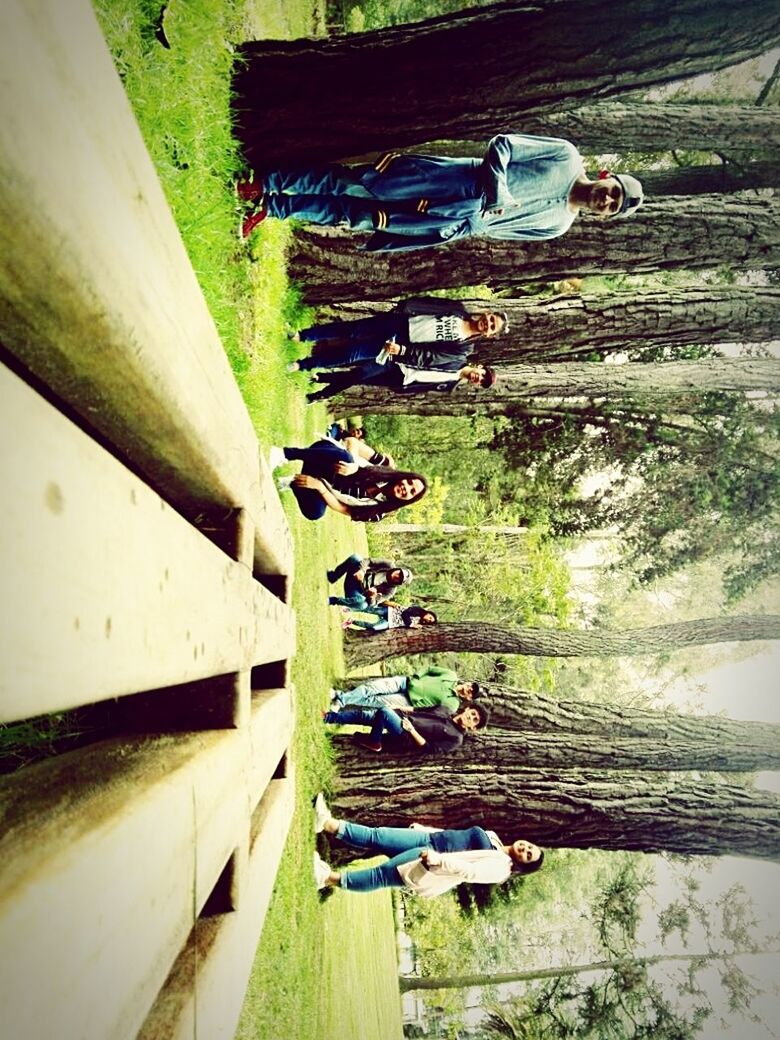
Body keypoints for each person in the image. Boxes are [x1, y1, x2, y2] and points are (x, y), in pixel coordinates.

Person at [237, 133, 644, 249]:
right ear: (607, 174)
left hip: (454, 219)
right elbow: (503, 144)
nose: (606, 200)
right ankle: (265, 183)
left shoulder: (558, 226)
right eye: (613, 191)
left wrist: (458, 228)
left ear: (606, 216)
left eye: (612, 206)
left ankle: (273, 209)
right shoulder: (566, 157)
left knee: (357, 217)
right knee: (359, 183)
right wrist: (497, 191)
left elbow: (497, 231)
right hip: (453, 180)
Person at [311, 794, 544, 895]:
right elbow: (455, 835)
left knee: (381, 876)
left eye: (528, 856)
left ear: (523, 865)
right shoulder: (494, 839)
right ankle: (327, 824)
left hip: (430, 862)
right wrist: (425, 830)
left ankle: (327, 879)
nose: (525, 849)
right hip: (428, 840)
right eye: (529, 847)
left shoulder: (501, 868)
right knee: (378, 836)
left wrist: (438, 859)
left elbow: (470, 871)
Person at [268, 438, 426, 522]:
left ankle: (296, 483)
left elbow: (344, 509)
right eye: (410, 482)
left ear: (409, 500)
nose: (407, 487)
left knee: (315, 513)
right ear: (405, 477)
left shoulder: (379, 512)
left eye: (412, 492)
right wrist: (354, 466)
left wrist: (320, 487)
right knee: (345, 457)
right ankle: (283, 454)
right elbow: (353, 442)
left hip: (326, 486)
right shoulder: (385, 466)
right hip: (324, 457)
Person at [323, 701, 489, 755]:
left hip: (405, 736)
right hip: (403, 718)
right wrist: (398, 707)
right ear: (468, 708)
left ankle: (375, 742)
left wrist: (411, 730)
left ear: (473, 728)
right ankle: (329, 718)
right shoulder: (445, 709)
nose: (471, 717)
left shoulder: (456, 739)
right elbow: (417, 710)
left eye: (475, 720)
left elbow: (429, 749)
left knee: (383, 713)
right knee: (365, 716)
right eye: (473, 713)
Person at [306, 361, 497, 402]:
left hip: (401, 380)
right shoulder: (455, 358)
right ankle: (321, 392)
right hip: (398, 364)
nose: (477, 378)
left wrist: (403, 390)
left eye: (480, 382)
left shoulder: (448, 386)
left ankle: (320, 379)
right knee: (360, 373)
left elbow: (423, 386)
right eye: (481, 374)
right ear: (479, 366)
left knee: (357, 379)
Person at [330, 666, 480, 713]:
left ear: (468, 698)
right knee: (372, 687)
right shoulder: (450, 675)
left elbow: (432, 711)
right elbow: (429, 669)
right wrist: (416, 676)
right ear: (467, 683)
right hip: (405, 682)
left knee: (374, 701)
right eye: (470, 686)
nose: (468, 689)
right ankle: (341, 698)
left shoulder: (453, 705)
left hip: (407, 700)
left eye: (471, 692)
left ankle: (341, 697)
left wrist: (411, 708)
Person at [327, 553, 413, 611]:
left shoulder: (390, 591)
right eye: (399, 573)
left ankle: (334, 600)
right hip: (354, 576)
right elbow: (368, 561)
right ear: (398, 569)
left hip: (355, 592)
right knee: (356, 558)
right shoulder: (389, 565)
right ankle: (333, 576)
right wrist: (362, 571)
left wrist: (371, 596)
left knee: (362, 605)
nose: (397, 576)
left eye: (400, 578)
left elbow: (373, 604)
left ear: (399, 583)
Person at [346, 603, 437, 633]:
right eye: (430, 617)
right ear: (428, 613)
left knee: (373, 627)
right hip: (390, 612)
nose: (428, 620)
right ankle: (350, 608)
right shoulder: (419, 610)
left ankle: (351, 621)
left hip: (391, 623)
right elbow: (405, 613)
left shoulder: (419, 625)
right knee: (370, 610)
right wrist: (411, 624)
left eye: (429, 621)